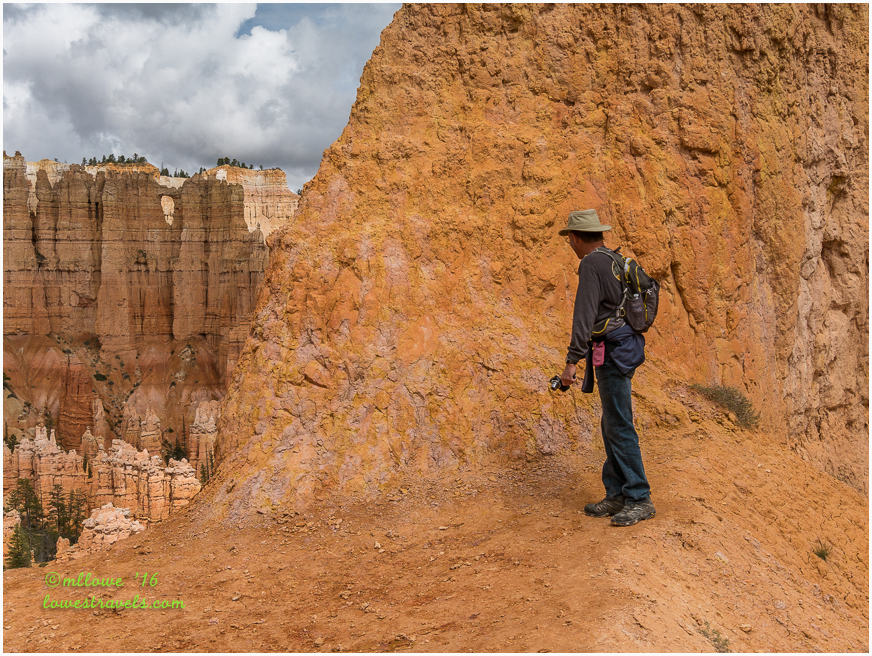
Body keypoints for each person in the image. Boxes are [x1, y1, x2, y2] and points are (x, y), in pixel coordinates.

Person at [558, 209, 655, 527]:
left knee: (619, 424)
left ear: (574, 237)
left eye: (569, 240)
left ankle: (639, 497)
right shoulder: (612, 260)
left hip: (613, 352)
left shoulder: (590, 264)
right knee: (611, 422)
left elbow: (583, 315)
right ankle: (617, 493)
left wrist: (572, 362)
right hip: (619, 348)